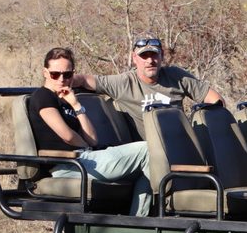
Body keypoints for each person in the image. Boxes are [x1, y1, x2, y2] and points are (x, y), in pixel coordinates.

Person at [28, 47, 152, 216]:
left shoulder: (66, 99)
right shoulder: (43, 97)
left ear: (73, 74)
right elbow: (67, 135)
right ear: (45, 73)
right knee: (148, 149)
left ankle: (140, 218)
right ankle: (140, 222)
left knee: (150, 162)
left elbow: (93, 139)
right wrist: (86, 146)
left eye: (67, 74)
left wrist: (76, 105)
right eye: (55, 74)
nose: (62, 79)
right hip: (69, 164)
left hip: (86, 159)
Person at [70, 34, 224, 139]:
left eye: (154, 55)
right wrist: (61, 81)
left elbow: (216, 100)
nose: (150, 61)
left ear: (161, 56)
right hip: (148, 151)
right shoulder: (123, 82)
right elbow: (83, 80)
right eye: (144, 56)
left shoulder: (176, 76)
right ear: (134, 58)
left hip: (181, 143)